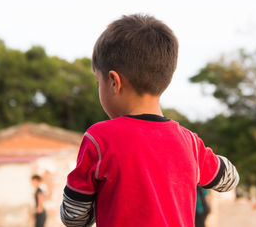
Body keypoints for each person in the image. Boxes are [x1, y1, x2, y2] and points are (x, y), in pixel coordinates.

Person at [60, 14, 240, 227]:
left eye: (98, 81)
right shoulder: (189, 142)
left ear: (114, 82)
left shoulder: (99, 138)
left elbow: (73, 218)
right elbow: (230, 179)